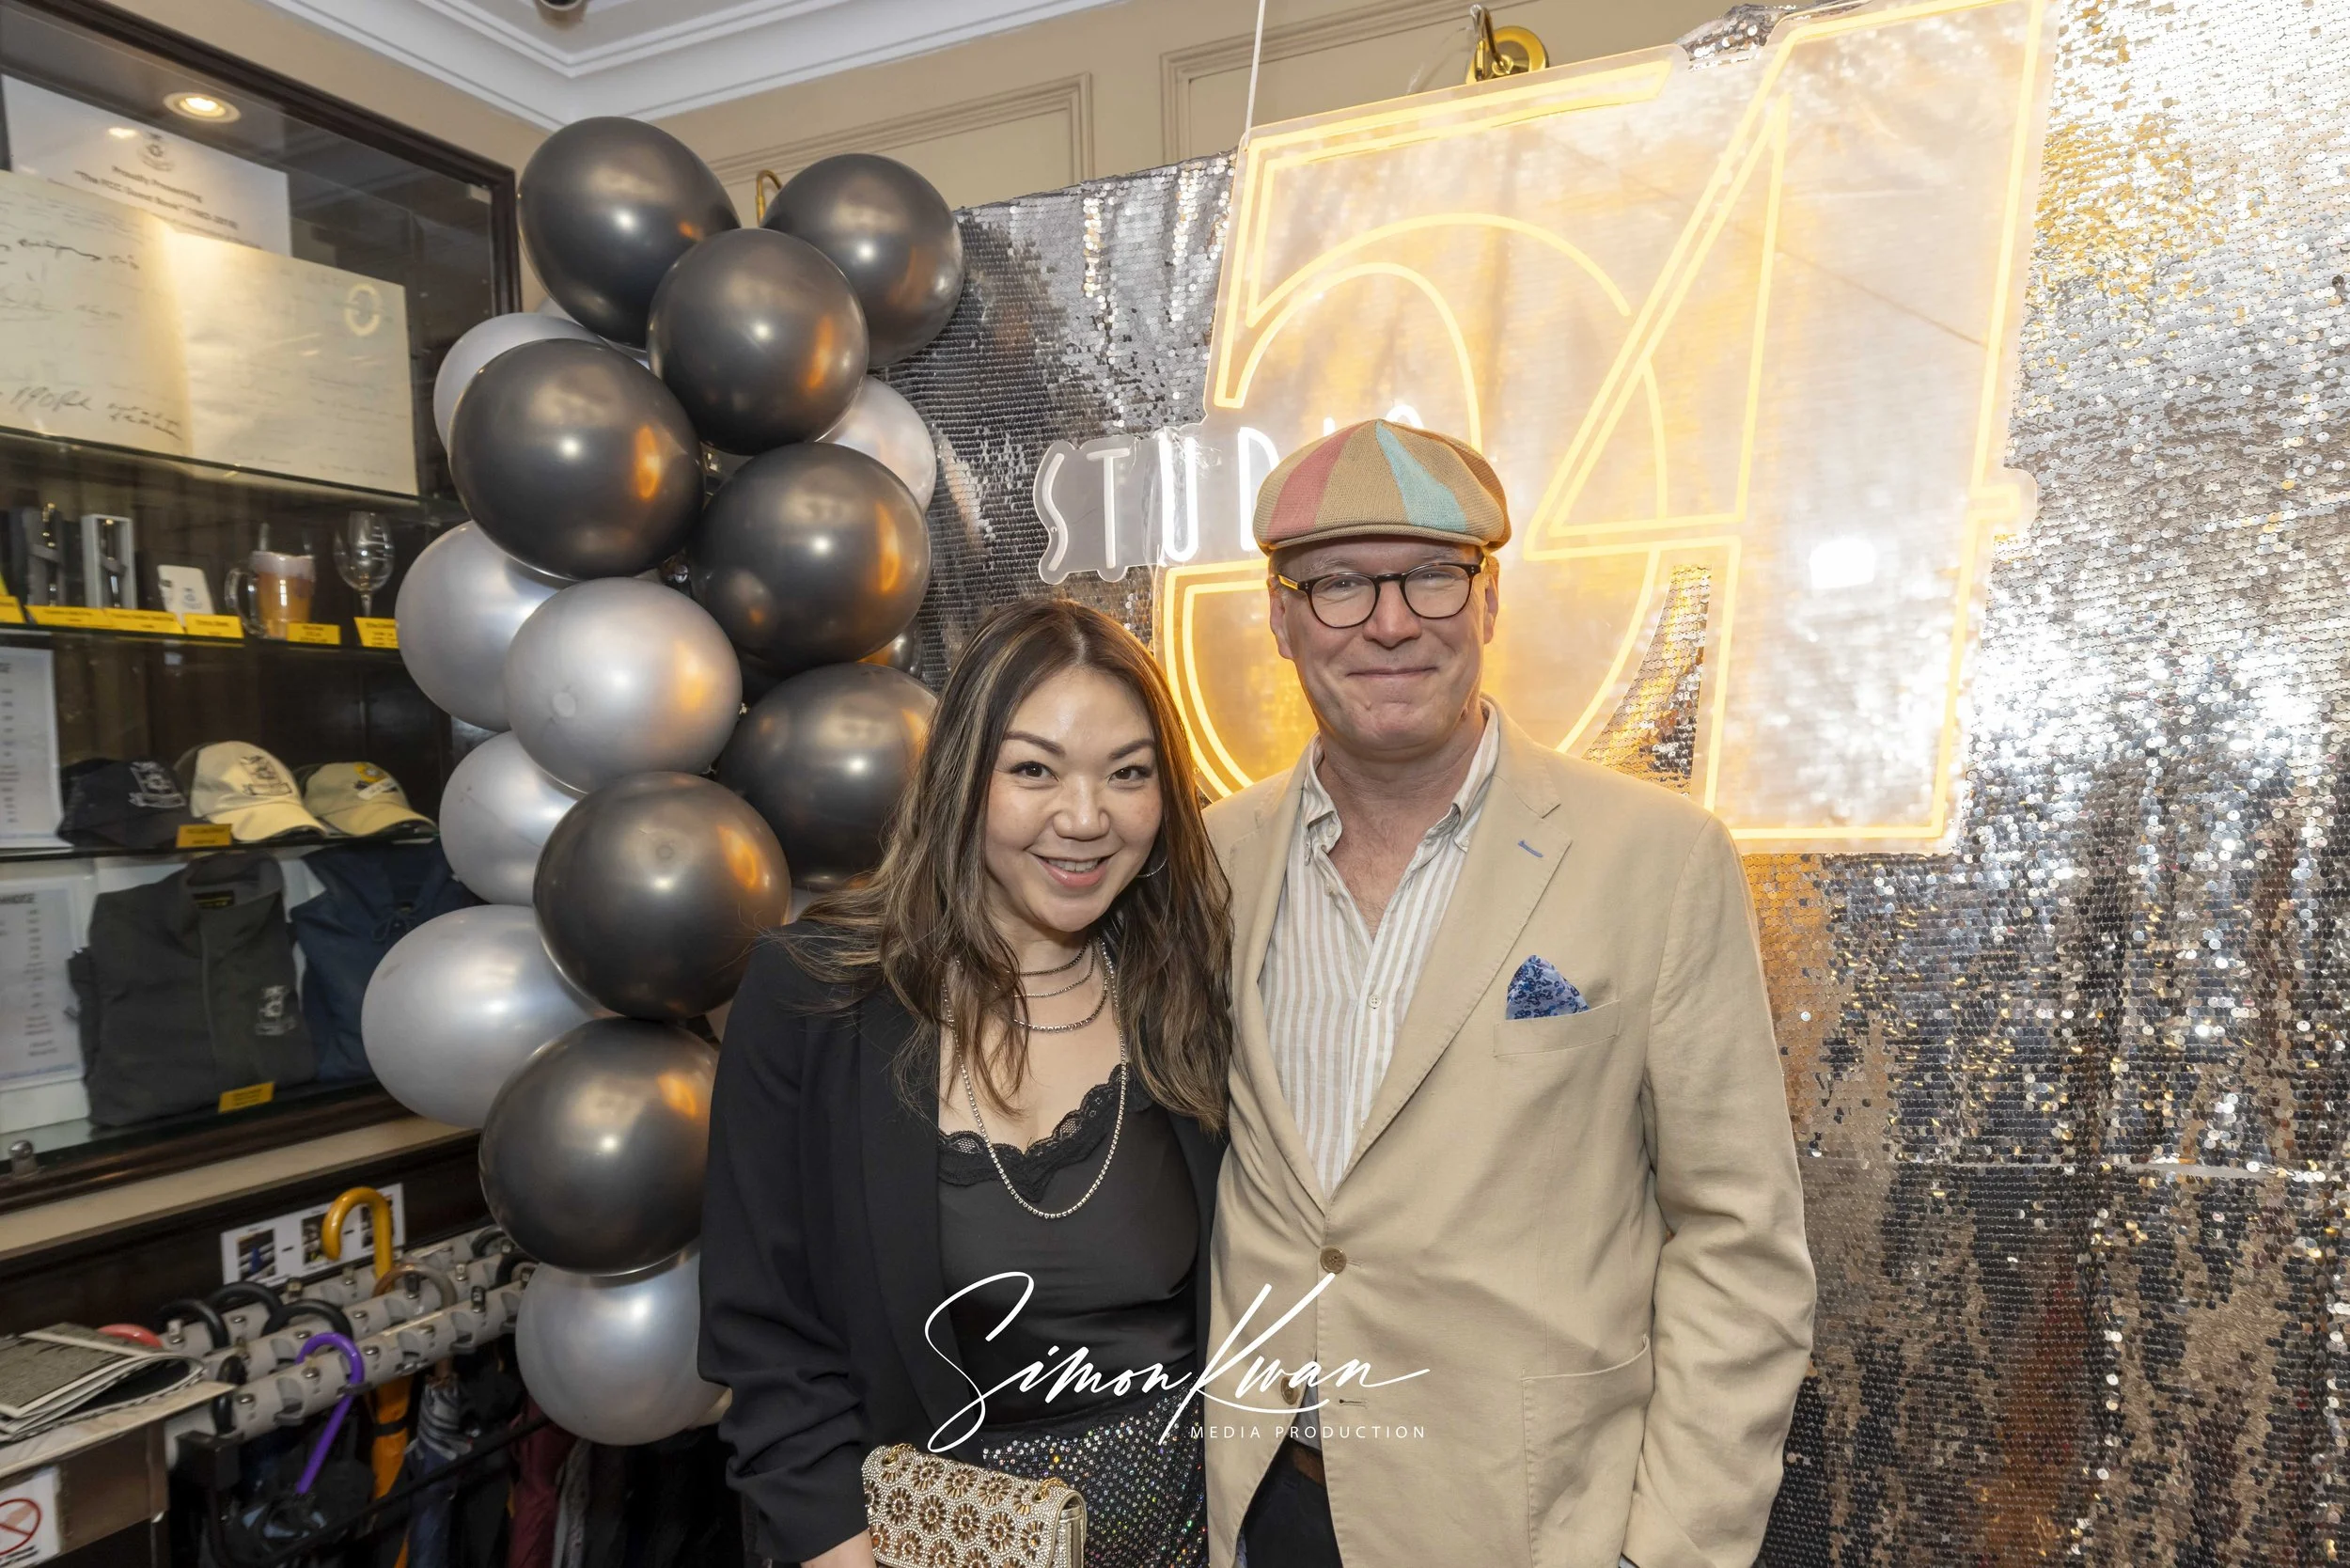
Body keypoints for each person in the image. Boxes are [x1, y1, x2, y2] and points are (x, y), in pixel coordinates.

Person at [1200, 420, 1814, 1568]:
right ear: (1279, 619)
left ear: (1487, 601)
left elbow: (1738, 1239)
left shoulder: (1654, 858)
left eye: (1431, 576)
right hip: (1264, 1507)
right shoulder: (1211, 859)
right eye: (1338, 584)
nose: (1391, 622)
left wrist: (1669, 1552)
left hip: (1531, 1525)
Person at [701, 598, 1234, 1568]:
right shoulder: (814, 994)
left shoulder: (1192, 986)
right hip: (913, 1547)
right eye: (1034, 770)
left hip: (1185, 1537)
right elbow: (764, 1330)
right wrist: (845, 1551)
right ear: (960, 777)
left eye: (1129, 773)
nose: (1086, 818)